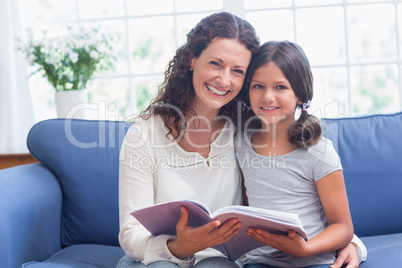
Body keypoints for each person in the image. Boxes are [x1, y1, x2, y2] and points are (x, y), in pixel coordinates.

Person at [117, 12, 365, 268]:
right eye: (215, 63)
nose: (224, 80)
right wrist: (179, 247)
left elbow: (284, 199)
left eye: (237, 71)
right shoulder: (144, 134)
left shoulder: (242, 129)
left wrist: (350, 242)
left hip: (218, 259)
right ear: (192, 59)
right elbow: (130, 235)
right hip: (155, 259)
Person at [235, 40, 366, 268]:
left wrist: (305, 248)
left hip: (314, 260)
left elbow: (343, 227)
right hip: (261, 262)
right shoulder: (241, 144)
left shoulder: (318, 151)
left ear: (299, 95)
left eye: (280, 87)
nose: (267, 96)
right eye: (258, 86)